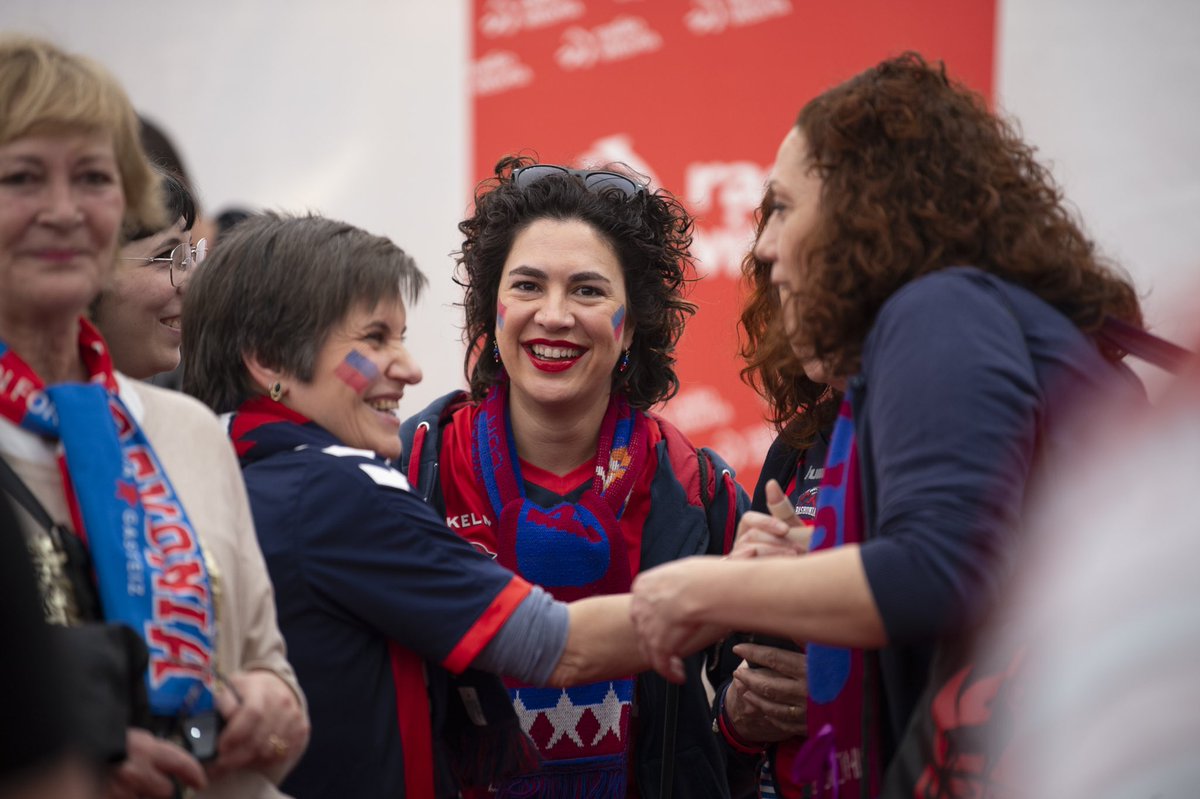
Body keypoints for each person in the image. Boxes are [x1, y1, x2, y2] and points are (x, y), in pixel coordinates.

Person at [629, 52, 1145, 796]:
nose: (764, 243)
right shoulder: (972, 313)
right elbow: (1001, 555)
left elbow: (943, 568)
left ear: (863, 204)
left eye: (781, 206)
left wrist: (708, 592)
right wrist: (819, 557)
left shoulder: (938, 309)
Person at [181, 211, 721, 799]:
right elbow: (554, 644)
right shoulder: (358, 483)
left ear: (632, 324)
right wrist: (752, 588)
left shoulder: (191, 473)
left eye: (588, 290)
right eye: (374, 340)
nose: (410, 369)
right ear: (268, 359)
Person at [0, 35, 308, 799]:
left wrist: (270, 708)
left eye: (95, 178)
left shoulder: (189, 430)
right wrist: (76, 750)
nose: (65, 210)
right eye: (23, 177)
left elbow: (272, 675)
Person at [399, 157, 750, 798]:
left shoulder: (697, 489)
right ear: (492, 309)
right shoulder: (416, 469)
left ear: (632, 327)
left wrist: (747, 718)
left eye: (587, 291)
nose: (554, 316)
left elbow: (752, 717)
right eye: (528, 286)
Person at [707, 199, 843, 798]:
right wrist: (738, 721)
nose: (803, 313)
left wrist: (835, 691)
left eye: (822, 278)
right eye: (786, 289)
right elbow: (747, 676)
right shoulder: (800, 442)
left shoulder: (963, 427)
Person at [92, 170, 204, 379]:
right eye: (166, 255)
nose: (194, 284)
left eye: (189, 255)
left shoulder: (159, 410)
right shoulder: (29, 407)